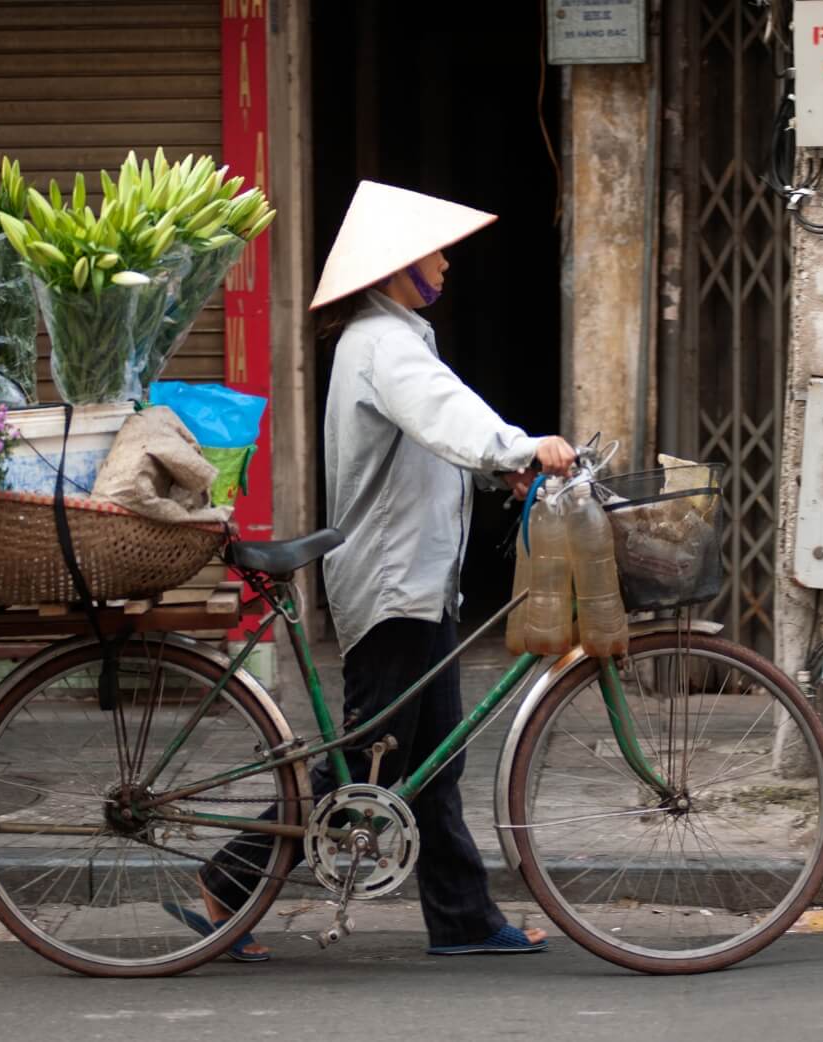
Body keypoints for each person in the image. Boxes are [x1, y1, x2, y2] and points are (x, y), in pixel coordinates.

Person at [178, 182, 575, 961]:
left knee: (433, 759)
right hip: (394, 582)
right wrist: (523, 447)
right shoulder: (382, 345)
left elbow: (433, 429)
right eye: (435, 250)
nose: (447, 264)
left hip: (416, 581)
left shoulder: (396, 338)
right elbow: (445, 413)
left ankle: (461, 919)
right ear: (398, 266)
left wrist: (503, 473)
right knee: (365, 759)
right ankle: (231, 881)